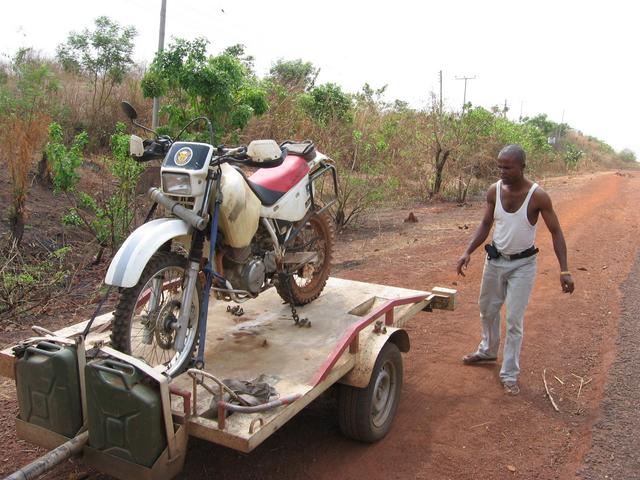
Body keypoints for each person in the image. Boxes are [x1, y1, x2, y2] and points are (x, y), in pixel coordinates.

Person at [456, 144, 575, 395]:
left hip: (523, 265)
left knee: (513, 320)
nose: (502, 171)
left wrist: (564, 270)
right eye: (499, 166)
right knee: (487, 309)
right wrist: (467, 251)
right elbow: (486, 223)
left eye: (507, 167)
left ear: (522, 167)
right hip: (495, 261)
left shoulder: (538, 196)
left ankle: (509, 373)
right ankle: (488, 351)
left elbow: (556, 232)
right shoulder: (494, 191)